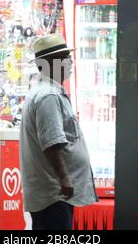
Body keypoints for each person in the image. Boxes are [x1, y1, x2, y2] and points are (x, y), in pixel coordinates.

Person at [19, 34, 98, 230]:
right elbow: (51, 141)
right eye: (64, 57)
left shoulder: (48, 91)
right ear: (49, 63)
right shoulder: (48, 95)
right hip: (53, 194)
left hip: (54, 194)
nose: (70, 62)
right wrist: (64, 177)